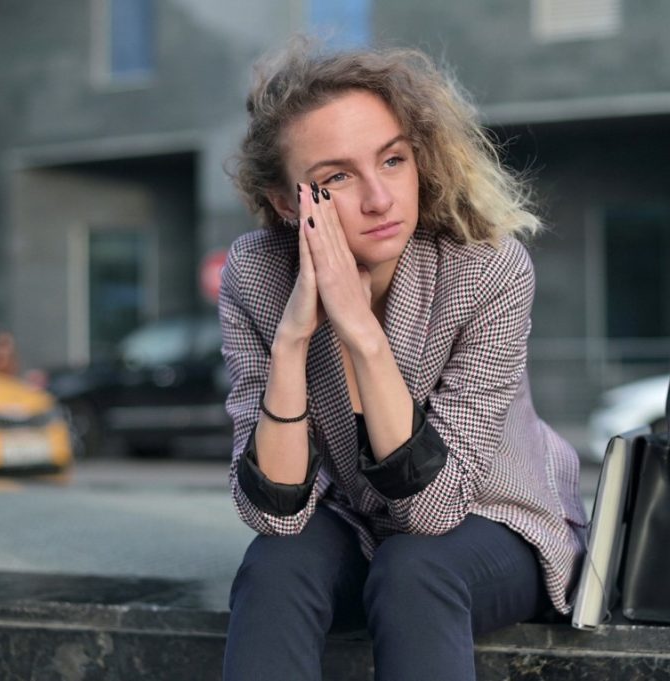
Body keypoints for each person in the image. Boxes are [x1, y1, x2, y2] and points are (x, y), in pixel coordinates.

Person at [219, 40, 587, 681]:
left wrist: (360, 332)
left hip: (494, 519)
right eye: (335, 177)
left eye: (392, 160)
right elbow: (273, 513)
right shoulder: (255, 273)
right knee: (274, 564)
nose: (380, 198)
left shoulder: (487, 269)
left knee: (414, 566)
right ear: (287, 203)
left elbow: (434, 511)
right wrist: (292, 340)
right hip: (353, 522)